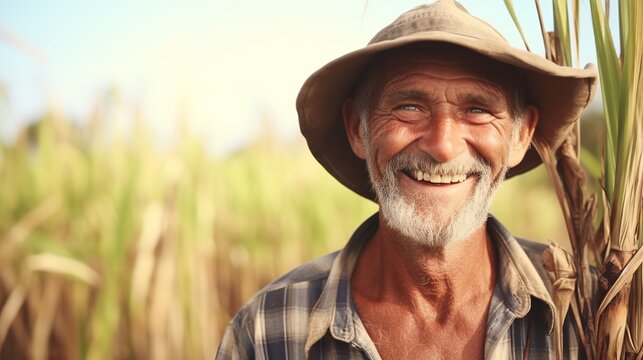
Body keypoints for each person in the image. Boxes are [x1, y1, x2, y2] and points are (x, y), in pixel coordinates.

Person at [216, 0, 597, 358]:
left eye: (478, 110)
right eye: (409, 107)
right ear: (357, 128)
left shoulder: (592, 313)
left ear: (520, 135)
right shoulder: (267, 332)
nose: (443, 146)